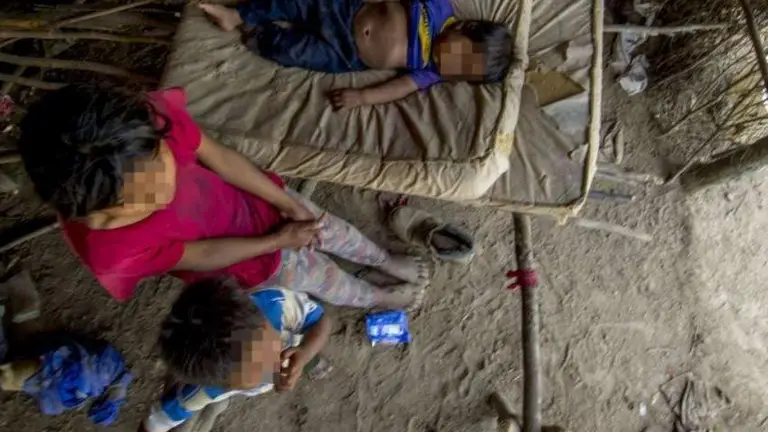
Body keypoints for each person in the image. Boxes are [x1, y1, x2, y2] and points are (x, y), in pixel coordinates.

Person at [17, 84, 427, 309]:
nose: (167, 187)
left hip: (261, 199)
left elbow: (221, 158)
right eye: (148, 202)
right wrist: (276, 242)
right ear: (97, 213)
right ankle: (374, 297)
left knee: (333, 229)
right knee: (322, 280)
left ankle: (381, 259)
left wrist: (287, 204)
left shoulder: (144, 124)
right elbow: (200, 255)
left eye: (163, 161)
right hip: (254, 261)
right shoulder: (111, 251)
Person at [198, 0, 514, 108]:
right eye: (461, 57)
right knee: (294, 1)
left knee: (296, 51)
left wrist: (363, 97)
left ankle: (255, 34)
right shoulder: (439, 7)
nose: (452, 67)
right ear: (466, 27)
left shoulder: (432, 71)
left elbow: (401, 87)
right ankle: (238, 15)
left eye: (461, 73)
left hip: (346, 54)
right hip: (346, 9)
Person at [140, 278, 331, 432]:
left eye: (270, 347)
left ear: (261, 320)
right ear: (223, 385)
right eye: (259, 373)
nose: (275, 365)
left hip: (296, 342)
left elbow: (321, 320)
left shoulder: (275, 304)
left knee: (302, 356)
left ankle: (311, 361)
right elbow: (154, 422)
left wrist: (305, 353)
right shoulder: (203, 391)